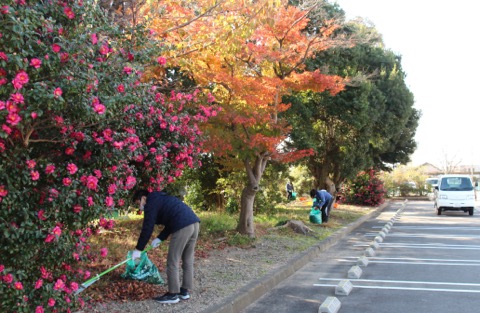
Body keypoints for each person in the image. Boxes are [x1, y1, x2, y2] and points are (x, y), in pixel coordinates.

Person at [132, 189, 200, 304]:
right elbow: (171, 220)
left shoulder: (151, 203)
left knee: (172, 261)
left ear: (143, 198)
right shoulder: (162, 199)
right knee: (187, 260)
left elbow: (147, 227)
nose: (140, 207)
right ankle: (184, 292)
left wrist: (139, 249)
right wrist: (160, 238)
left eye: (138, 203)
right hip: (194, 223)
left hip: (183, 226)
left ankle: (173, 294)